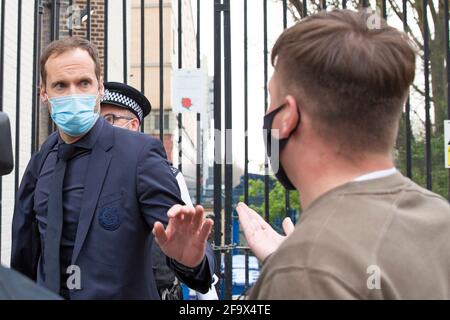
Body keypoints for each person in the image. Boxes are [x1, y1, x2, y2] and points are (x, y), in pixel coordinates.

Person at [237, 9, 450, 299]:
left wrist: (294, 271)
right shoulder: (440, 218)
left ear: (286, 117)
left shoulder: (308, 267)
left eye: (270, 99)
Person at [11, 37, 215, 300]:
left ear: (99, 89)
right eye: (60, 85)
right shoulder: (41, 162)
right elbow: (25, 254)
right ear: (44, 94)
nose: (73, 93)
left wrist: (191, 260)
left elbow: (181, 237)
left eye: (84, 83)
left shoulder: (139, 154)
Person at [100, 81, 218, 300]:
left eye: (109, 119)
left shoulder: (165, 176)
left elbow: (190, 240)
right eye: (96, 119)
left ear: (133, 125)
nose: (101, 127)